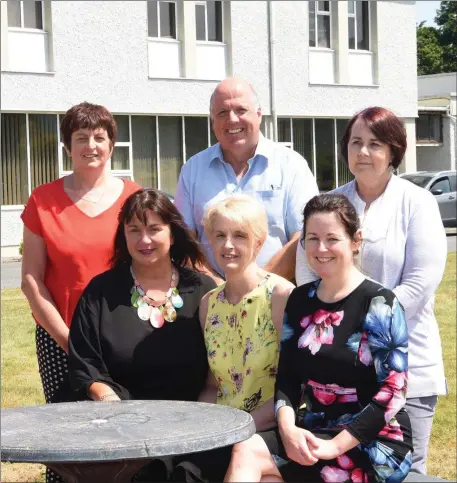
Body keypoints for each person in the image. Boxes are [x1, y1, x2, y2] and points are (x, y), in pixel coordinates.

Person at [295, 107, 447, 475]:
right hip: (337, 371)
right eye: (355, 142)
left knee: (402, 471)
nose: (363, 152)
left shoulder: (417, 203)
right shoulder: (329, 203)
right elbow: (306, 273)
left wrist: (359, 327)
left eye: (374, 144)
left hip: (403, 363)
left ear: (394, 151)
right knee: (337, 469)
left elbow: (420, 282)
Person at [225, 193, 413, 483]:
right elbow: (286, 376)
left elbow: (393, 392)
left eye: (332, 239)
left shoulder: (380, 303)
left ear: (355, 241)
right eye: (312, 238)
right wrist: (287, 431)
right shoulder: (300, 298)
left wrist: (333, 446)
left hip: (371, 440)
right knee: (248, 450)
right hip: (313, 428)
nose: (321, 248)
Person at [20, 102, 140, 483]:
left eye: (100, 137)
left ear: (112, 144)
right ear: (67, 146)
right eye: (81, 137)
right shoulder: (43, 200)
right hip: (61, 338)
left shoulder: (134, 198)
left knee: (129, 432)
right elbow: (32, 281)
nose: (91, 145)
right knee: (68, 437)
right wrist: (71, 342)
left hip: (125, 339)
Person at [68, 189, 216, 481]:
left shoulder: (202, 289)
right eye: (134, 230)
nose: (144, 240)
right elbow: (85, 365)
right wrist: (119, 416)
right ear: (123, 236)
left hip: (192, 423)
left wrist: (197, 422)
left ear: (172, 234)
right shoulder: (101, 292)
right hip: (121, 426)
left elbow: (219, 362)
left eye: (154, 229)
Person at [172, 194, 294, 482]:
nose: (228, 245)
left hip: (272, 430)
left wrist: (237, 430)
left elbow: (293, 385)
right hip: (223, 432)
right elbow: (213, 385)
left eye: (240, 236)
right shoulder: (208, 305)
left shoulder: (281, 296)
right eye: (220, 236)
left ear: (259, 242)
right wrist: (201, 429)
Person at [174, 77, 319, 282]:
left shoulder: (291, 166)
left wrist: (259, 288)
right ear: (212, 120)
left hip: (277, 301)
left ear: (259, 115)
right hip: (211, 303)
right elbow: (184, 242)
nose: (232, 119)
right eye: (222, 112)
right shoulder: (192, 170)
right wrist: (220, 292)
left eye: (241, 110)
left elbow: (304, 235)